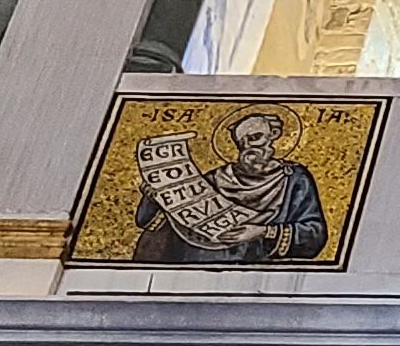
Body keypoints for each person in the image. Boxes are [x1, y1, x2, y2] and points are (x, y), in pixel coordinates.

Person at [133, 108, 331, 263]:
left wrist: (262, 232)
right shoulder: (215, 179)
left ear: (273, 135)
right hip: (198, 262)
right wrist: (156, 197)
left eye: (255, 137)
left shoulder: (294, 179)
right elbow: (162, 224)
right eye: (242, 142)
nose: (249, 146)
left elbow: (314, 234)